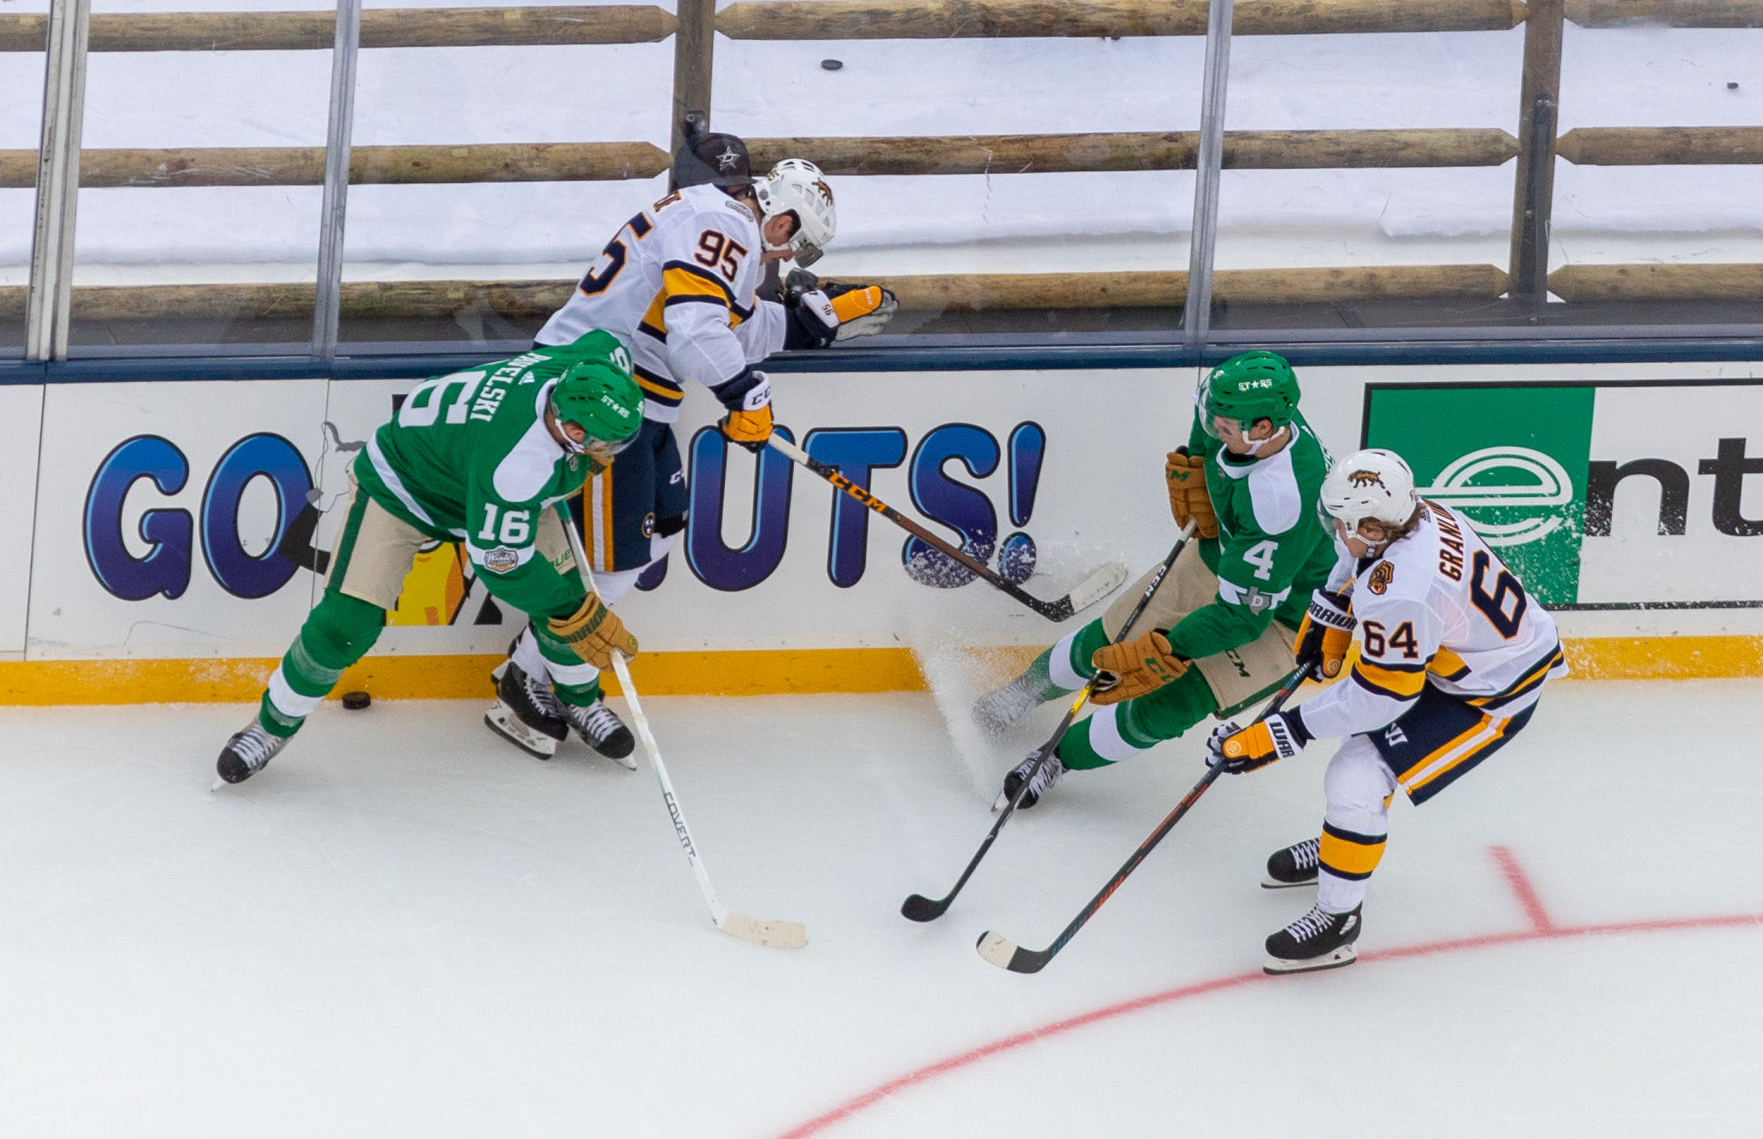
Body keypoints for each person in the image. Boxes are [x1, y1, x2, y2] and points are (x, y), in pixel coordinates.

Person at [484, 130, 897, 761]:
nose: (788, 257)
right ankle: (529, 678)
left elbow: (721, 321)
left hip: (636, 401)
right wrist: (744, 395)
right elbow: (695, 334)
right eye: (797, 240)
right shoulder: (724, 222)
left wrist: (807, 326)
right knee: (614, 563)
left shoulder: (715, 220)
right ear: (779, 216)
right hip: (593, 402)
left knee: (660, 532)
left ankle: (540, 666)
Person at [215, 333, 646, 785]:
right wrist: (571, 610)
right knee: (347, 622)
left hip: (475, 471)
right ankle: (270, 726)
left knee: (570, 596)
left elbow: (606, 339)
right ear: (573, 430)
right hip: (405, 488)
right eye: (604, 445)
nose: (609, 454)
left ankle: (578, 699)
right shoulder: (517, 467)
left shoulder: (590, 365)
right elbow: (502, 562)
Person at [1208, 448, 1568, 975]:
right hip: (1455, 656)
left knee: (1355, 774)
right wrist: (1331, 617)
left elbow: (1381, 698)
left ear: (1374, 524)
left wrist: (1280, 734)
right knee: (1355, 781)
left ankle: (1338, 921)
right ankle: (1344, 844)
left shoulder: (1405, 591)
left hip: (1489, 694)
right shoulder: (1413, 517)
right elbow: (1357, 559)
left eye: (1340, 522)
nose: (1333, 529)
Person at [975, 349, 1339, 809]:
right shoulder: (1251, 407)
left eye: (1222, 430)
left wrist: (1171, 648)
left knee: (1170, 704)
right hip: (1226, 558)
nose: (1213, 432)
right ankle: (1026, 691)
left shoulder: (1281, 502)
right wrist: (1195, 460)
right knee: (1106, 639)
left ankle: (1055, 759)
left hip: (1286, 617)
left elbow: (1243, 621)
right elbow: (1206, 413)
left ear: (1263, 430)